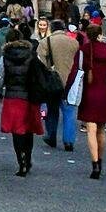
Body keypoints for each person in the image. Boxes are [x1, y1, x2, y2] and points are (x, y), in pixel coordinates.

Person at [0, 24, 43, 176]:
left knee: (16, 132)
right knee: (28, 130)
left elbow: (0, 78)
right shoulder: (32, 55)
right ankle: (27, 159)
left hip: (12, 96)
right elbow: (38, 75)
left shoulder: (5, 57)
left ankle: (21, 162)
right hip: (29, 96)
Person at [76, 24, 106, 179]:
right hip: (104, 92)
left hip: (89, 91)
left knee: (91, 129)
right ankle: (100, 160)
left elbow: (77, 70)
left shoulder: (84, 51)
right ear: (100, 34)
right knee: (101, 129)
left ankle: (94, 164)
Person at [36, 20, 81, 151]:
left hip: (53, 81)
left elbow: (41, 63)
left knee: (52, 111)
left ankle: (51, 136)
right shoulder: (74, 43)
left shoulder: (45, 42)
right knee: (69, 112)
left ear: (52, 28)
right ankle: (68, 141)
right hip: (70, 81)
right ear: (64, 29)